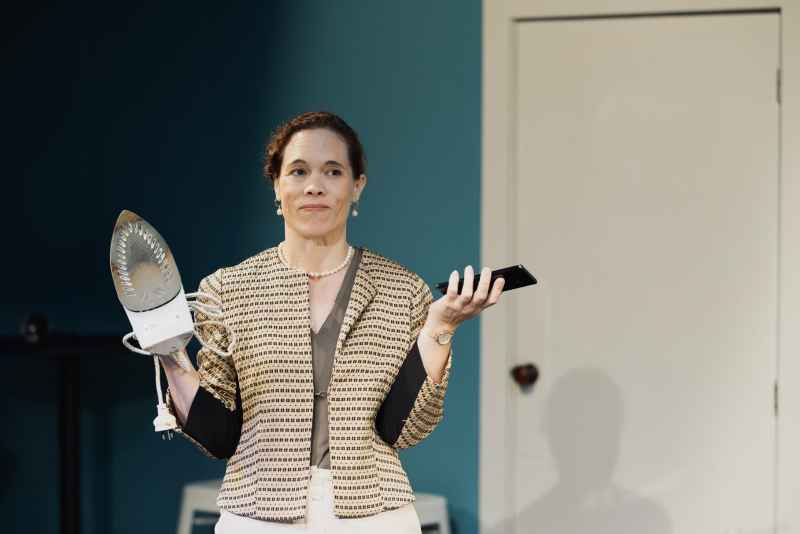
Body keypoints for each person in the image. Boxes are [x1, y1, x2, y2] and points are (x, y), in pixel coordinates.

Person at [161, 110, 504, 533]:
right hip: (258, 514)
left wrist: (442, 325)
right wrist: (167, 352)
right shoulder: (225, 291)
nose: (314, 186)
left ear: (357, 186)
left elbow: (403, 430)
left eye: (333, 171)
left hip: (374, 516)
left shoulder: (403, 291)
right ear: (276, 184)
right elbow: (218, 437)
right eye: (298, 171)